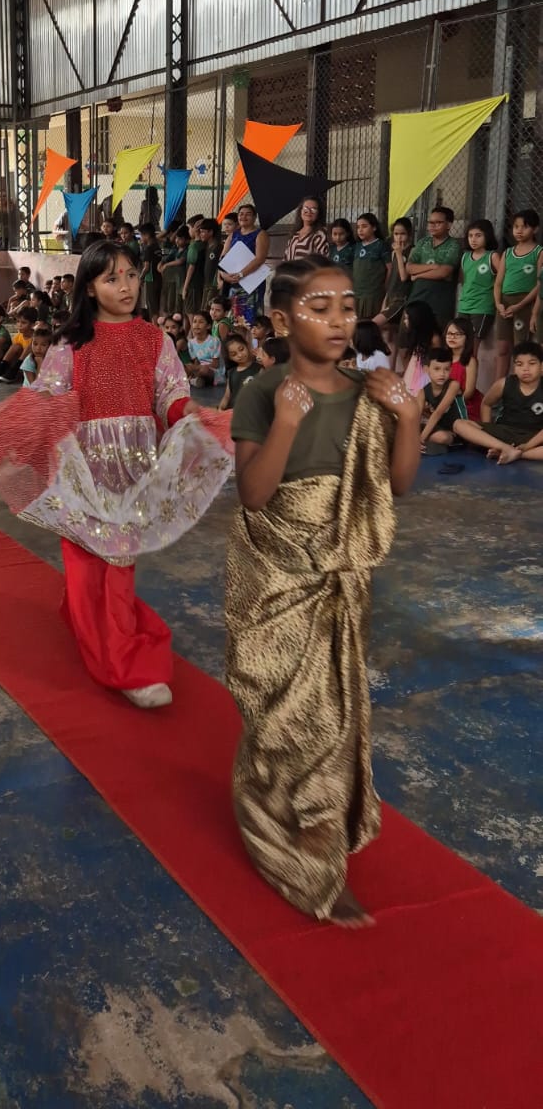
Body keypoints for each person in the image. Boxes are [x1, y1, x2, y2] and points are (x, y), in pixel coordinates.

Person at [0, 239, 233, 709]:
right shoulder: (72, 342)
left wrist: (184, 409)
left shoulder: (154, 339)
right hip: (83, 464)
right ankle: (120, 661)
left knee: (118, 558)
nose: (126, 285)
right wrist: (16, 431)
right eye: (111, 277)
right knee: (89, 558)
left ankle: (116, 650)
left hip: (135, 465)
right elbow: (48, 398)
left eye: (132, 274)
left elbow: (169, 391)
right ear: (90, 288)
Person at [226, 258, 420, 926]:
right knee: (282, 709)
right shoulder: (260, 391)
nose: (340, 320)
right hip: (278, 573)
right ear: (281, 321)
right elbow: (254, 497)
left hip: (341, 573)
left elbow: (393, 487)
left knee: (333, 714)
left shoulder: (370, 393)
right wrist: (284, 420)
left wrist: (410, 417)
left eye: (346, 306)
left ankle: (315, 846)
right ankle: (270, 807)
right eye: (320, 308)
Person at [452, 342, 543, 463]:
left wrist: (527, 446)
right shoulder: (504, 383)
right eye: (519, 364)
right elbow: (486, 404)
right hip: (503, 432)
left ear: (542, 366)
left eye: (531, 363)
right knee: (458, 424)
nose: (525, 368)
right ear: (514, 367)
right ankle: (504, 448)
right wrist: (487, 430)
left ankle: (517, 454)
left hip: (534, 437)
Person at [493, 209, 541, 377]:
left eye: (524, 227)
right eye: (516, 227)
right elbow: (498, 283)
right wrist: (498, 303)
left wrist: (520, 305)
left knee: (520, 347)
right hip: (505, 304)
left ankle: (520, 385)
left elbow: (539, 284)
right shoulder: (507, 253)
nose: (519, 231)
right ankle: (500, 386)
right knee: (502, 348)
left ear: (535, 229)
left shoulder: (539, 252)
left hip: (525, 302)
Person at [405, 206, 461, 331]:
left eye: (438, 223)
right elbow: (409, 268)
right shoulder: (422, 242)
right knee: (411, 340)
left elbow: (444, 272)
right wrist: (432, 267)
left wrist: (418, 275)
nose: (433, 226)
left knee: (436, 341)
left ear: (449, 224)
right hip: (417, 299)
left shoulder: (454, 245)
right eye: (430, 222)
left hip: (439, 303)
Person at [456, 218, 500, 357]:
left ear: (487, 236)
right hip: (464, 306)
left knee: (472, 350)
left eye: (478, 235)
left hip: (482, 308)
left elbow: (501, 281)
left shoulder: (492, 256)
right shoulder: (465, 257)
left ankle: (470, 379)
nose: (473, 239)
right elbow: (465, 281)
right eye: (470, 236)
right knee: (459, 347)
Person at [220, 203, 271, 317]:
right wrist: (223, 275)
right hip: (233, 281)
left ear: (254, 217)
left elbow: (260, 259)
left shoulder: (260, 234)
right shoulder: (233, 234)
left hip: (251, 281)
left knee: (251, 317)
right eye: (241, 214)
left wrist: (242, 274)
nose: (243, 217)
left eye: (248, 214)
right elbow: (223, 257)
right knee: (235, 317)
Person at [374, 216, 412, 360]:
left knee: (373, 325)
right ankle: (390, 369)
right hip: (391, 296)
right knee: (391, 337)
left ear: (409, 234)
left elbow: (403, 277)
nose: (398, 237)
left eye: (402, 234)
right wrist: (385, 300)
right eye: (396, 234)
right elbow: (393, 279)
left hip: (402, 299)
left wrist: (399, 253)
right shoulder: (393, 253)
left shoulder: (411, 251)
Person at [419, 348, 467, 451]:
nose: (442, 374)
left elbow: (438, 413)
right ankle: (422, 439)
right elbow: (416, 415)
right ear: (426, 369)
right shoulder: (423, 391)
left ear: (451, 370)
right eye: (437, 369)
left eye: (446, 369)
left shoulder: (454, 385)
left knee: (442, 437)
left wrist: (420, 439)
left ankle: (423, 441)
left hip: (456, 429)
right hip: (438, 426)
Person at [351, 212, 389, 319]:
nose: (360, 230)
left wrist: (385, 287)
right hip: (358, 292)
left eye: (364, 226)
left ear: (374, 228)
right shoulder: (357, 246)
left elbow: (389, 269)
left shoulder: (381, 245)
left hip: (373, 294)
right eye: (358, 227)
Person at [400, 301, 441, 396]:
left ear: (416, 319)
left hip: (425, 374)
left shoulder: (434, 339)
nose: (404, 321)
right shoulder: (416, 335)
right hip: (415, 370)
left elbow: (436, 360)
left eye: (407, 318)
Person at [444, 317, 481, 420]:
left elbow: (469, 392)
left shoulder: (470, 361)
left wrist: (452, 405)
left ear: (467, 337)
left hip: (464, 405)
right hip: (443, 402)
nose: (452, 337)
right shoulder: (443, 358)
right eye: (449, 333)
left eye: (457, 334)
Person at [218, 334, 261, 410]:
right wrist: (221, 408)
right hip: (232, 411)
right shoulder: (231, 372)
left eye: (241, 349)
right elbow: (227, 396)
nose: (240, 355)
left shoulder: (259, 368)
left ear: (247, 345)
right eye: (234, 354)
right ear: (229, 357)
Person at [283, 197, 329, 263]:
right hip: (291, 272)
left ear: (319, 213)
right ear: (300, 211)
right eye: (305, 208)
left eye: (313, 209)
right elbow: (286, 258)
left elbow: (324, 260)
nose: (309, 212)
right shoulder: (295, 234)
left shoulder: (321, 233)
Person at [185, 310, 225, 387]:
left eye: (201, 322)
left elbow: (216, 364)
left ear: (208, 326)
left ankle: (192, 379)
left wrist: (198, 368)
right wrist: (193, 367)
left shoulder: (214, 341)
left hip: (214, 371)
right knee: (186, 366)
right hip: (200, 369)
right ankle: (198, 380)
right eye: (194, 321)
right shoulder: (191, 343)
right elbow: (196, 362)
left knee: (204, 370)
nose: (197, 324)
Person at [158, 226, 188, 315]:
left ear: (186, 240)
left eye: (180, 239)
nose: (177, 241)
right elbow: (167, 258)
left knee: (178, 301)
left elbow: (180, 261)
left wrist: (167, 265)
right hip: (171, 280)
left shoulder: (187, 249)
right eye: (176, 238)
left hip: (180, 280)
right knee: (169, 299)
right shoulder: (175, 248)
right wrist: (161, 263)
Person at [138, 222, 162, 321]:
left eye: (141, 235)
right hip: (159, 278)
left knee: (152, 307)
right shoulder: (158, 246)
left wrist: (140, 278)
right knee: (157, 304)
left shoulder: (148, 248)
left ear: (146, 235)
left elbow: (146, 267)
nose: (140, 238)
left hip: (151, 279)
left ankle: (155, 328)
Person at [198, 218, 224, 309]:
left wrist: (218, 281)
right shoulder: (207, 246)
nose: (200, 234)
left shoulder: (218, 247)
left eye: (203, 232)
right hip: (206, 283)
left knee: (208, 309)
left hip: (213, 285)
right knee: (203, 308)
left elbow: (220, 266)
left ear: (211, 232)